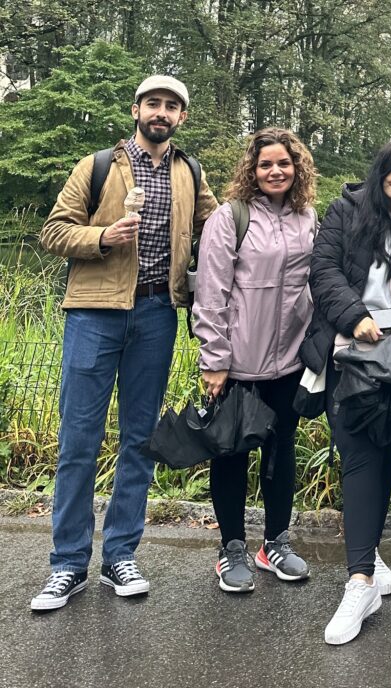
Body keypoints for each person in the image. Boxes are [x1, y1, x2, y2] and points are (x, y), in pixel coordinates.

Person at [32, 76, 219, 611]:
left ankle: (119, 555)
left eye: (172, 107)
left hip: (158, 313)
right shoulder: (97, 166)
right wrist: (102, 236)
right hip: (94, 312)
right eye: (154, 104)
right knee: (78, 441)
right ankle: (68, 564)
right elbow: (53, 232)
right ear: (136, 109)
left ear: (181, 117)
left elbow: (220, 228)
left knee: (140, 439)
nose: (162, 113)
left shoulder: (189, 172)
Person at [302, 139, 391, 644]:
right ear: (379, 168)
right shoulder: (344, 210)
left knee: (384, 452)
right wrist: (358, 318)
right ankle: (359, 580)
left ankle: (371, 556)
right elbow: (324, 272)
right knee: (359, 455)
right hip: (350, 348)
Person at [192, 128, 318, 593]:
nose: (275, 171)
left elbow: (313, 283)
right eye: (266, 164)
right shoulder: (231, 217)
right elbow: (210, 292)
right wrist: (214, 359)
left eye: (283, 163)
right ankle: (230, 548)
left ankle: (275, 544)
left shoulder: (308, 217)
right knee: (232, 452)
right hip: (238, 361)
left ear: (296, 167)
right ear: (253, 169)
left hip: (289, 360)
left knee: (281, 449)